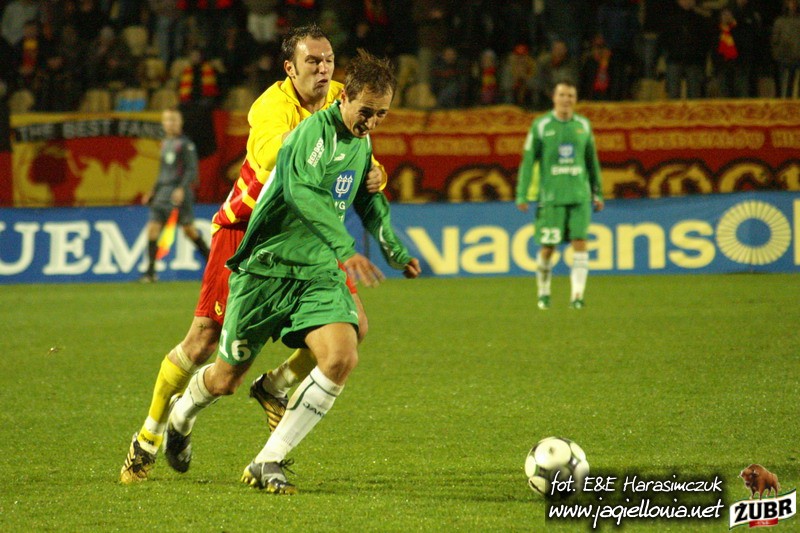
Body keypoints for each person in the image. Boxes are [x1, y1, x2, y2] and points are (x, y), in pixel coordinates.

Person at [120, 24, 386, 484]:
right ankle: (150, 435)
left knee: (356, 327)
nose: (323, 70)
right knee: (204, 343)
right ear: (290, 68)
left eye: (328, 60)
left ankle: (275, 385)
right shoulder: (270, 108)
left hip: (306, 239)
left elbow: (358, 145)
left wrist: (375, 170)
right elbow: (273, 156)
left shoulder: (343, 96)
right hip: (247, 233)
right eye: (312, 62)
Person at [166, 49, 421, 494]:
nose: (372, 122)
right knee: (225, 380)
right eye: (366, 111)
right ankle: (181, 415)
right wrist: (346, 249)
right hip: (267, 268)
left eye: (381, 114)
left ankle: (268, 460)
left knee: (342, 354)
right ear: (345, 98)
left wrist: (393, 249)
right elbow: (302, 193)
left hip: (316, 270)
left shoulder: (360, 141)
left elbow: (367, 199)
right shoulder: (312, 134)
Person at [515, 80, 603, 310]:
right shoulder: (541, 125)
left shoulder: (583, 125)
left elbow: (592, 162)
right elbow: (528, 161)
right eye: (562, 95)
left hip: (579, 196)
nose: (566, 99)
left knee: (580, 244)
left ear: (575, 99)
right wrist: (522, 194)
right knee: (548, 248)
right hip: (551, 199)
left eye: (570, 95)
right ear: (554, 98)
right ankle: (543, 293)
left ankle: (577, 297)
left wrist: (598, 192)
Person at [140, 108, 210, 283]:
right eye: (167, 120)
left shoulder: (185, 144)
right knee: (152, 229)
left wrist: (181, 189)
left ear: (180, 122)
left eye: (173, 120)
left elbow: (192, 170)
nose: (170, 124)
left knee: (189, 231)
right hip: (162, 193)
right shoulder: (165, 143)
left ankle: (213, 265)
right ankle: (150, 273)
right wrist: (153, 191)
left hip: (178, 193)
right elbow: (163, 171)